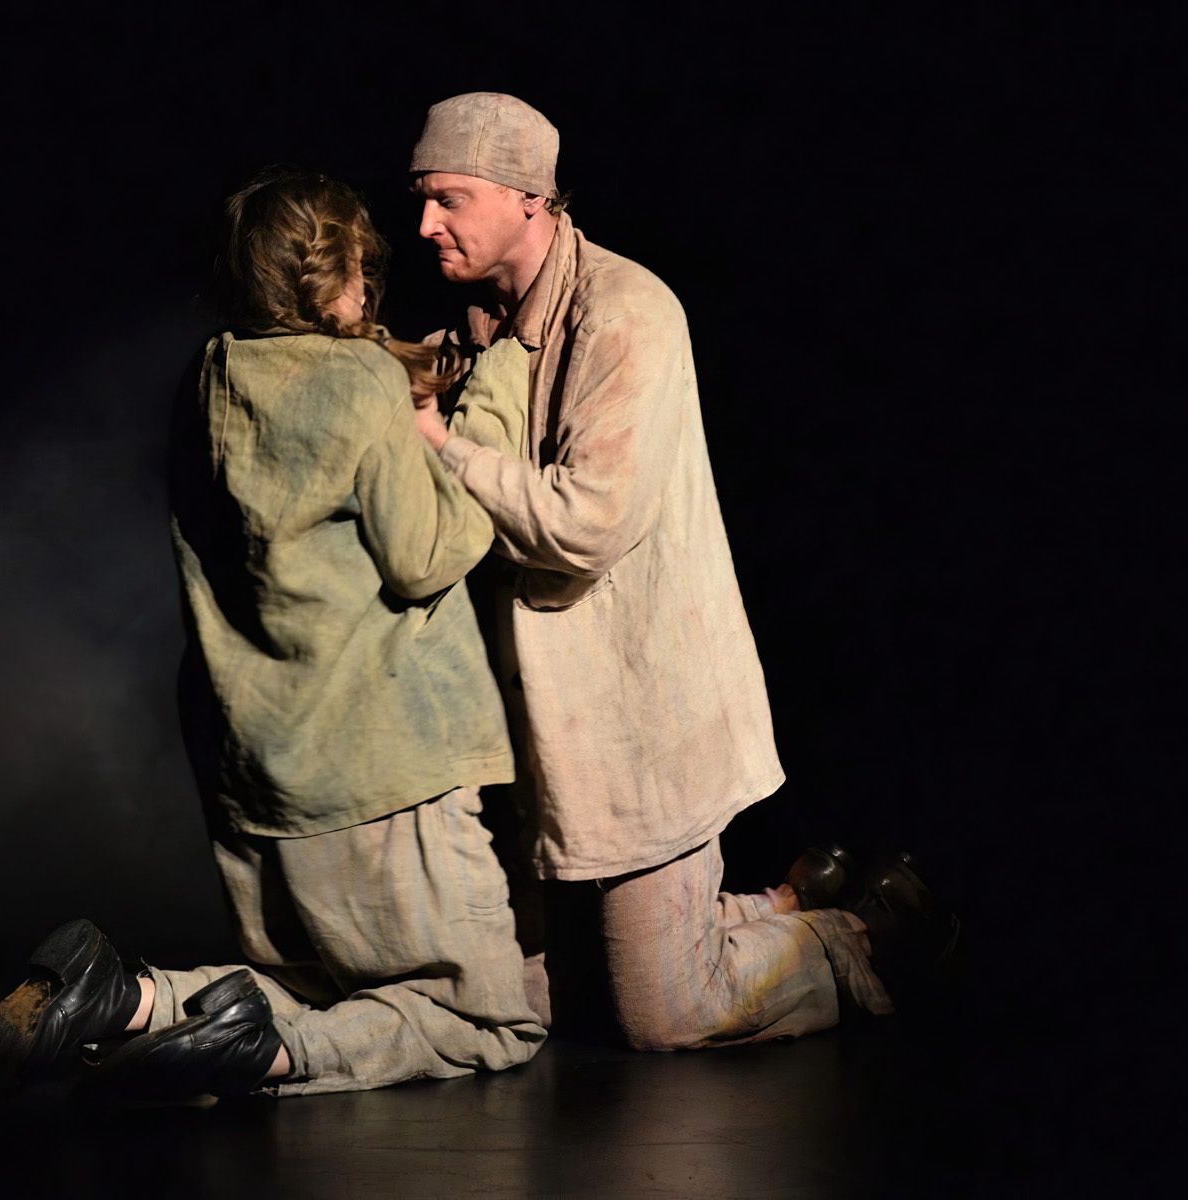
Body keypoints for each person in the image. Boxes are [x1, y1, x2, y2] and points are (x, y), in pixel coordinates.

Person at [0, 167, 544, 1103]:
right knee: (486, 1019)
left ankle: (124, 998)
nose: (371, 287)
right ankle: (267, 1057)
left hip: (255, 770)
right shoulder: (360, 379)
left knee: (312, 982)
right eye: (362, 267)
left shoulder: (211, 373)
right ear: (333, 273)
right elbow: (426, 556)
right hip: (383, 765)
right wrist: (495, 401)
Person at [406, 93, 947, 1051]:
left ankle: (864, 937)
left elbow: (587, 523)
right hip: (547, 738)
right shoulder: (480, 322)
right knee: (538, 992)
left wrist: (441, 451)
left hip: (641, 720)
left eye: (449, 198)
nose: (423, 224)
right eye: (422, 197)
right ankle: (777, 903)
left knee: (666, 1014)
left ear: (529, 196)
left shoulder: (628, 313)